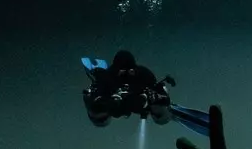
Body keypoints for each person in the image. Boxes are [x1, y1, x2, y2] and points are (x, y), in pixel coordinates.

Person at [79, 50, 210, 135]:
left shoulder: (143, 75)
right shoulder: (106, 77)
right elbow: (93, 95)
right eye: (121, 72)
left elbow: (161, 91)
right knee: (99, 117)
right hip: (113, 103)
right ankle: (168, 113)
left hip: (139, 102)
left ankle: (169, 113)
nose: (125, 76)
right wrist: (103, 101)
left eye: (129, 72)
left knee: (160, 115)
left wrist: (158, 99)